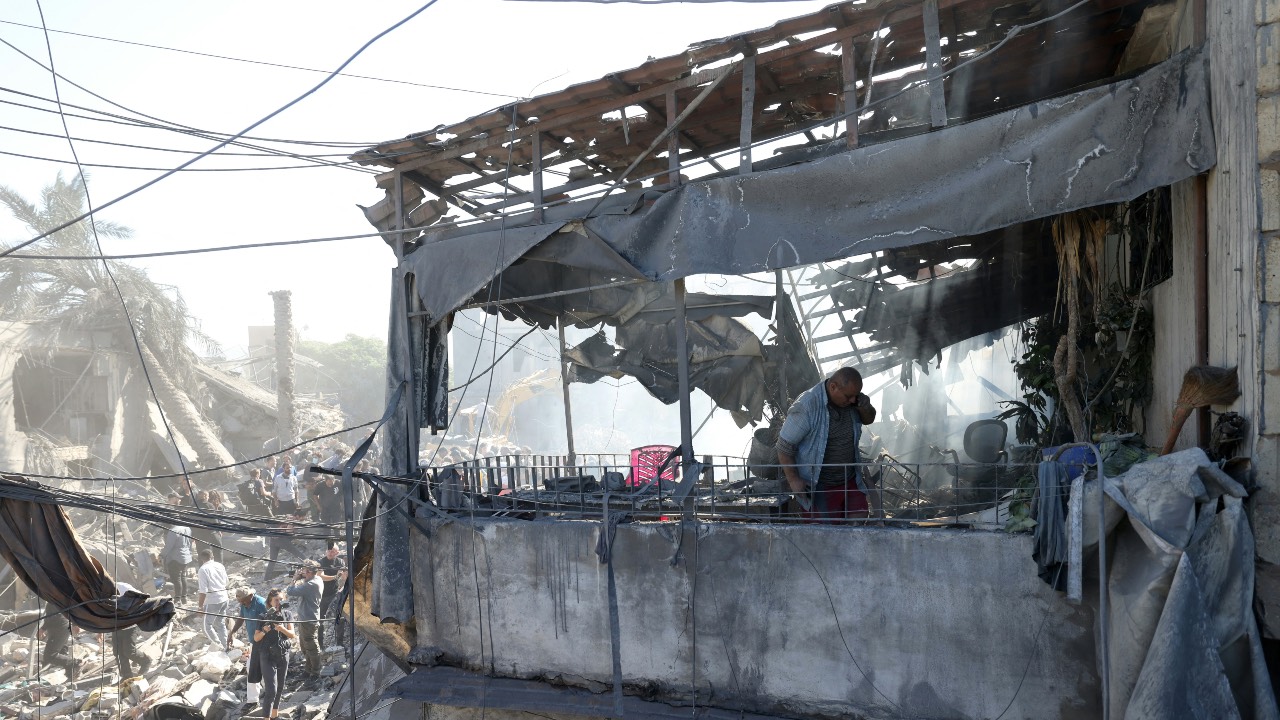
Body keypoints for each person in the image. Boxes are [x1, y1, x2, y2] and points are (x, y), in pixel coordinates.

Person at [776, 367, 878, 522]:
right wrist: (793, 480)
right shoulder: (807, 406)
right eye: (848, 396)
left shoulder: (853, 401)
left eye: (855, 396)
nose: (852, 400)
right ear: (833, 387)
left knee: (859, 524)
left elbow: (868, 419)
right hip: (820, 487)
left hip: (850, 480)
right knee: (824, 535)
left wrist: (865, 407)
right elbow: (784, 446)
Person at [252, 589, 295, 719]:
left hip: (283, 654)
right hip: (267, 655)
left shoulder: (287, 614)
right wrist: (265, 630)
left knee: (280, 687)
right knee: (271, 690)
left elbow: (292, 634)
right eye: (276, 600)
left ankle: (274, 715)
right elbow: (256, 638)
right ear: (270, 602)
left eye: (281, 599)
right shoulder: (263, 616)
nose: (279, 602)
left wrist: (281, 628)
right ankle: (266, 718)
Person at [229, 587, 268, 712]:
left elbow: (270, 623)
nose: (242, 604)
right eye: (241, 602)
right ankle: (253, 700)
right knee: (252, 670)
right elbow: (241, 618)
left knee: (264, 670)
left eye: (244, 601)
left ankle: (270, 695)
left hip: (265, 643)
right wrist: (232, 633)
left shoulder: (261, 604)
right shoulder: (244, 604)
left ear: (250, 596)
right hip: (254, 643)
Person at [285, 559, 324, 680]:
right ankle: (308, 669)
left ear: (310, 572)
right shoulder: (315, 579)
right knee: (305, 646)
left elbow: (290, 591)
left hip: (309, 619)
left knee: (312, 647)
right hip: (304, 619)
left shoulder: (311, 584)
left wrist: (294, 579)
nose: (302, 572)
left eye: (304, 570)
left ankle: (316, 672)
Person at [112, 582, 150, 679]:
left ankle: (145, 661)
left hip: (131, 625)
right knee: (118, 653)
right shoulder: (99, 593)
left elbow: (144, 598)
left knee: (129, 651)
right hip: (116, 626)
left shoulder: (123, 587)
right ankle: (126, 676)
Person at [196, 549, 230, 648]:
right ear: (212, 557)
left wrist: (200, 607)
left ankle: (219, 646)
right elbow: (227, 582)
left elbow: (203, 591)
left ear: (201, 559)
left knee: (206, 626)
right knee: (220, 623)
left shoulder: (203, 569)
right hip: (224, 598)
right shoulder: (220, 565)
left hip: (213, 601)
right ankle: (226, 646)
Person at [316, 543, 347, 648]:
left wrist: (343, 585)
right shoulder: (320, 562)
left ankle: (339, 643)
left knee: (339, 617)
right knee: (320, 620)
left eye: (333, 551)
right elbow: (320, 576)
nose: (330, 552)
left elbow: (344, 576)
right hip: (322, 595)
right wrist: (335, 577)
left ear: (337, 553)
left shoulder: (340, 562)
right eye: (329, 550)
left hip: (334, 594)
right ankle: (320, 645)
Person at [263, 513, 309, 582]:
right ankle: (310, 565)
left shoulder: (286, 516)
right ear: (297, 516)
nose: (303, 520)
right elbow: (288, 531)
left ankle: (266, 579)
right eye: (302, 518)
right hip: (282, 540)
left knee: (272, 560)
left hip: (273, 540)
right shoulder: (292, 519)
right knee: (297, 553)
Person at [161, 522, 194, 604]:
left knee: (176, 579)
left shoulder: (173, 531)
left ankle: (177, 599)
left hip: (175, 557)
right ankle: (184, 598)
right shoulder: (187, 528)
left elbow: (169, 546)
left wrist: (161, 555)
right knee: (183, 577)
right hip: (185, 556)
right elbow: (190, 542)